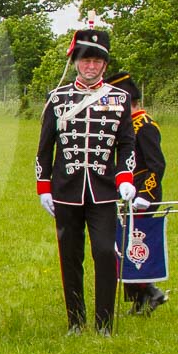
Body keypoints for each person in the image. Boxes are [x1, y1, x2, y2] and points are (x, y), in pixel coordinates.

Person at [33, 28, 137, 334]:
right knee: (70, 256)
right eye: (85, 60)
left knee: (105, 251)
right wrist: (44, 186)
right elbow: (45, 146)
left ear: (105, 65)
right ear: (76, 62)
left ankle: (104, 322)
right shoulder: (58, 98)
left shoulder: (120, 98)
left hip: (104, 190)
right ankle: (75, 321)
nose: (90, 66)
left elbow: (127, 143)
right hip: (66, 190)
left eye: (96, 61)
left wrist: (125, 175)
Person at [110, 71, 170, 316]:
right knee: (122, 244)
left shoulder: (145, 126)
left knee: (134, 246)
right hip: (125, 194)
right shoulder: (127, 125)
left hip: (143, 196)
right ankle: (140, 298)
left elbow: (157, 164)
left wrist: (146, 194)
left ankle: (151, 292)